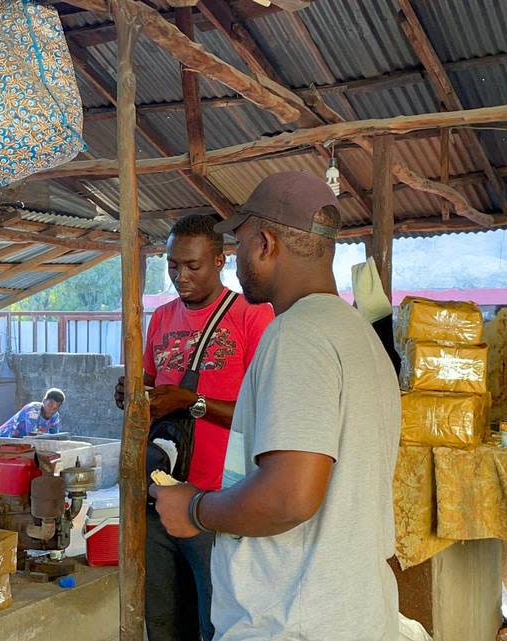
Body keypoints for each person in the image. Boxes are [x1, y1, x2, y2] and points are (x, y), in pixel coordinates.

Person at [150, 172, 429, 641]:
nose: (236, 261)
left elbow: (289, 496)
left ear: (264, 244)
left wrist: (196, 508)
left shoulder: (296, 336)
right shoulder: (359, 334)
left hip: (293, 617)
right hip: (349, 608)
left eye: (237, 245)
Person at [115, 214, 273, 641]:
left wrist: (193, 402)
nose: (180, 276)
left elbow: (264, 409)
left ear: (220, 260)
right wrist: (132, 397)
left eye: (192, 266)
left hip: (219, 500)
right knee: (163, 619)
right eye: (172, 266)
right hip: (159, 495)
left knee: (218, 622)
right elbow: (149, 389)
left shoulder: (252, 317)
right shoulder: (161, 319)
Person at [0, 388, 66, 438]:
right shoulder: (33, 410)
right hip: (4, 438)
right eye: (49, 405)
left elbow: (55, 437)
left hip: (21, 444)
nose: (51, 410)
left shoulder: (55, 417)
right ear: (44, 401)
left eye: (55, 408)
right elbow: (31, 436)